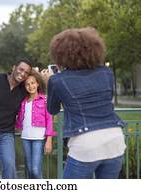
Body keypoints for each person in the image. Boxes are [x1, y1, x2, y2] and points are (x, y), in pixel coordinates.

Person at [47, 27, 126, 179]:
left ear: (60, 54)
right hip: (115, 138)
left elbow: (52, 109)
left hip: (85, 142)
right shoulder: (106, 73)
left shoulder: (57, 80)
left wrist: (50, 82)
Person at [15, 70, 56, 179]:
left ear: (37, 84)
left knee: (35, 169)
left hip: (39, 138)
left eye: (33, 83)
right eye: (27, 84)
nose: (30, 86)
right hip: (25, 138)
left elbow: (49, 120)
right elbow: (20, 118)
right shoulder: (23, 101)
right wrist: (19, 127)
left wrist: (49, 140)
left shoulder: (45, 100)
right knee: (29, 169)